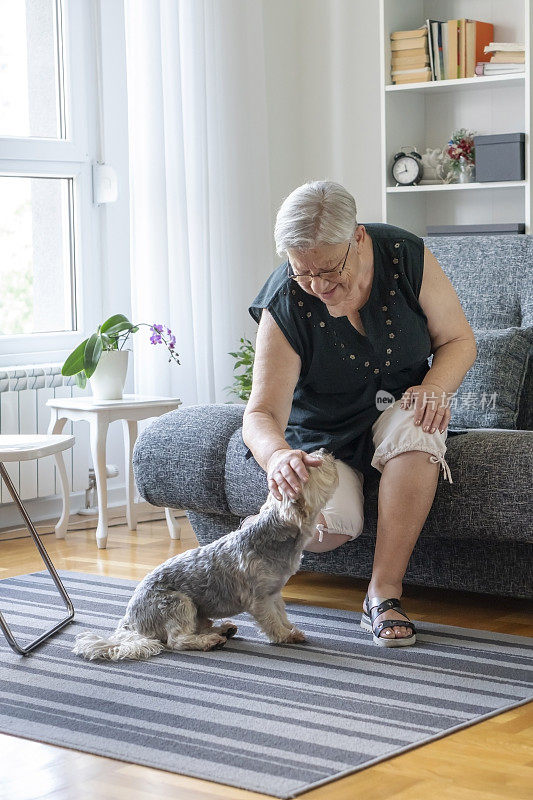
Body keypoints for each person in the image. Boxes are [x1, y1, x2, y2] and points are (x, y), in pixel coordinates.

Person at [241, 180, 477, 647]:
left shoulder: (404, 255)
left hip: (399, 409)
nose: (319, 286)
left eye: (329, 269)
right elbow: (261, 412)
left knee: (419, 428)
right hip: (322, 436)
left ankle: (383, 594)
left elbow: (458, 340)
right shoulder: (286, 301)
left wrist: (433, 388)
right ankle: (258, 535)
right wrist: (278, 458)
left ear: (359, 237)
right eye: (303, 272)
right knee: (328, 530)